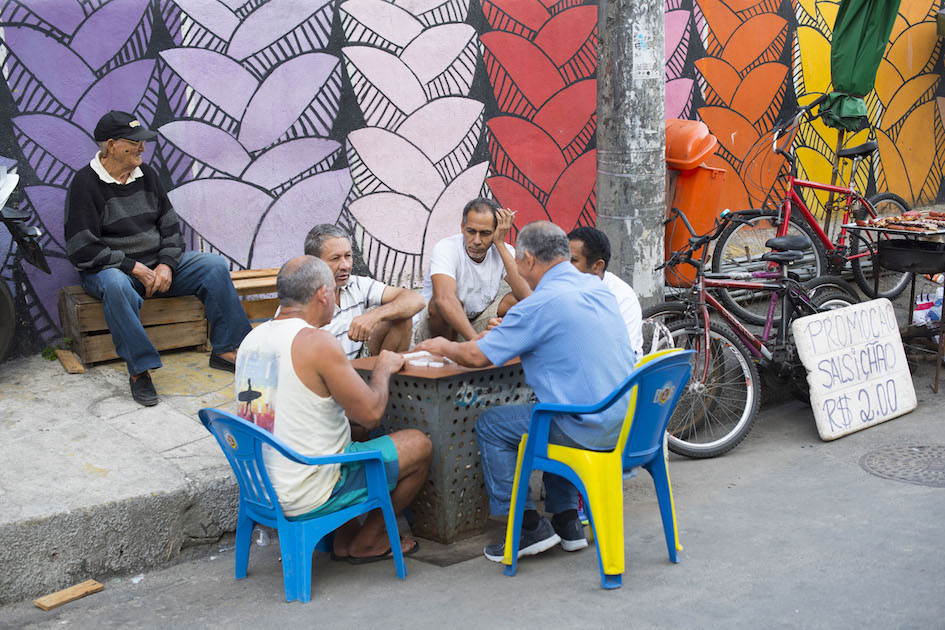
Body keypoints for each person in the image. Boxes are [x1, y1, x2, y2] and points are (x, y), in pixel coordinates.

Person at [415, 221, 636, 562]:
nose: (516, 270)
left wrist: (443, 345)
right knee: (550, 407)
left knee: (493, 424)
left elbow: (476, 355)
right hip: (625, 422)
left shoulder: (539, 304)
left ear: (529, 259)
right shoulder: (598, 289)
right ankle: (566, 521)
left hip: (586, 428)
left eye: (517, 262)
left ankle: (525, 525)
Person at [236, 256, 432, 562]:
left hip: (262, 488)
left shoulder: (251, 339)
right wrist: (384, 366)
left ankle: (343, 538)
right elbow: (371, 412)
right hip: (308, 491)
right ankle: (368, 542)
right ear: (323, 295)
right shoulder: (316, 342)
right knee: (418, 445)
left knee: (352, 433)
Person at [65, 111, 252, 407]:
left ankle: (227, 350)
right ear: (111, 145)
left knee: (213, 266)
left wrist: (166, 264)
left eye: (143, 142)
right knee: (115, 284)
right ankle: (140, 370)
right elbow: (81, 248)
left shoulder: (147, 175)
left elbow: (171, 230)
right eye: (134, 143)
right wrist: (133, 267)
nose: (142, 148)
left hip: (155, 266)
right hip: (112, 269)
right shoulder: (85, 184)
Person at [413, 197, 531, 343]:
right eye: (471, 231)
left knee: (516, 301)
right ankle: (452, 358)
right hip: (436, 332)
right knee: (439, 303)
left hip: (475, 323)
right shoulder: (446, 248)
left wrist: (499, 243)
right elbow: (444, 299)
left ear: (496, 231)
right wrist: (476, 343)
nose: (476, 240)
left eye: (485, 233)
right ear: (462, 226)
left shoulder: (504, 250)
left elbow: (527, 297)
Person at [303, 224, 424, 360]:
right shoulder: (299, 302)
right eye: (335, 258)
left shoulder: (356, 284)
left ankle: (385, 378)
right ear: (313, 263)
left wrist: (373, 316)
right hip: (324, 373)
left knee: (401, 318)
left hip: (358, 365)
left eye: (348, 256)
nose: (346, 265)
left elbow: (416, 300)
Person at [568, 226, 644, 362]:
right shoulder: (563, 287)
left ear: (597, 266)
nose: (565, 266)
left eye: (573, 260)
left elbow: (620, 356)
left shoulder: (622, 297)